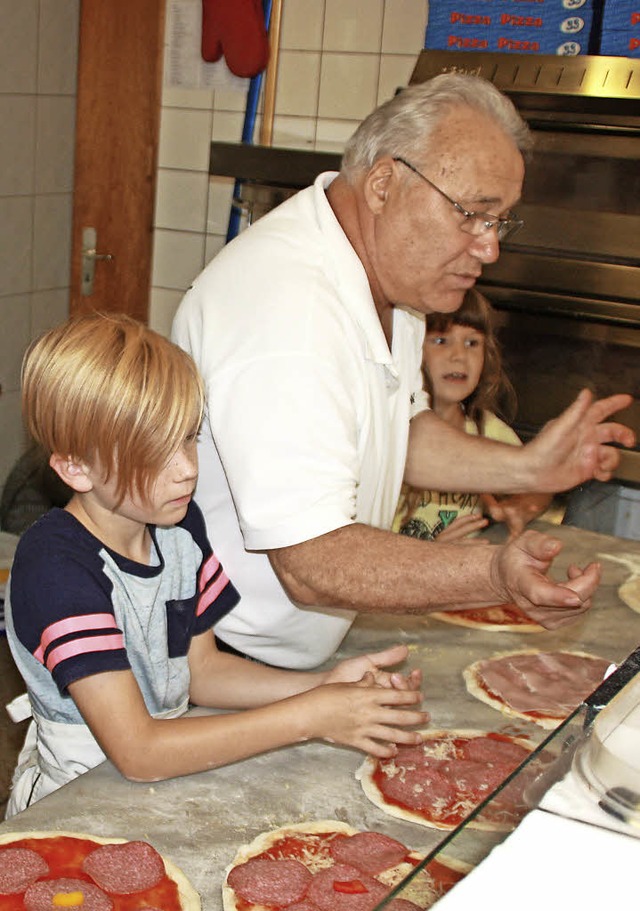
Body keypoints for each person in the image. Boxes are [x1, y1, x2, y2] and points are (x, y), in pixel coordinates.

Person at [172, 72, 634, 670]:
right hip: (214, 658)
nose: (489, 247)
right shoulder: (288, 312)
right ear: (385, 184)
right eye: (473, 214)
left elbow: (396, 431)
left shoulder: (391, 278)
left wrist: (526, 467)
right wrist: (493, 573)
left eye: (501, 221)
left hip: (284, 646)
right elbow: (312, 562)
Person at [4, 313, 426, 818]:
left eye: (187, 437)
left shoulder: (179, 530)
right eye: (151, 452)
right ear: (76, 467)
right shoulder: (56, 567)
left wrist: (325, 686)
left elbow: (201, 673)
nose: (186, 469)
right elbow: (139, 751)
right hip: (76, 802)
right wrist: (311, 717)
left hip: (169, 776)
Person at [393, 288, 551, 543]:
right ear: (412, 350)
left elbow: (537, 486)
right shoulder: (393, 432)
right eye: (441, 340)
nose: (459, 356)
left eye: (472, 343)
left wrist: (518, 507)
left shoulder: (489, 431)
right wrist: (430, 555)